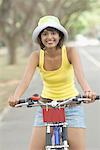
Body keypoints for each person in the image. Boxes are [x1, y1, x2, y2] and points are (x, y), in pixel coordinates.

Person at [8, 15, 96, 150]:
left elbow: (80, 76)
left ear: (60, 36)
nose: (49, 37)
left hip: (71, 106)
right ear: (40, 38)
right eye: (45, 34)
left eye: (53, 33)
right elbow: (25, 80)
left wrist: (88, 91)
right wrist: (16, 96)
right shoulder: (36, 56)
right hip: (46, 107)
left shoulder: (70, 52)